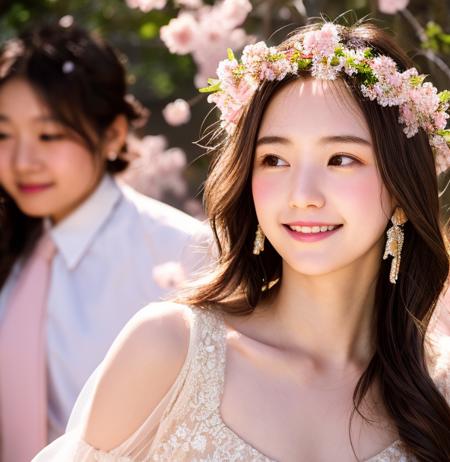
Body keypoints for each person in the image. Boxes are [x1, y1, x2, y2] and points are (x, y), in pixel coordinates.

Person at [34, 20, 450, 462]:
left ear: (402, 185)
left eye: (341, 159)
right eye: (274, 159)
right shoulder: (170, 351)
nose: (302, 196)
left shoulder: (437, 389)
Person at [0, 22, 211, 462]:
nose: (22, 161)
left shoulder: (185, 255)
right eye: (3, 135)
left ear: (113, 134)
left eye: (49, 135)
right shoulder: (15, 244)